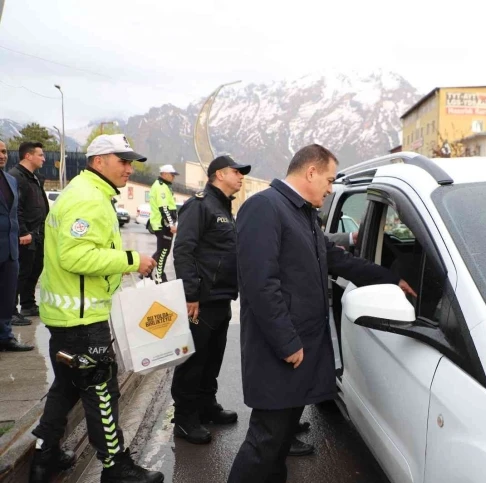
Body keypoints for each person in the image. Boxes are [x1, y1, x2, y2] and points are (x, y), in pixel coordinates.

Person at [228, 144, 416, 483]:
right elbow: (260, 284)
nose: (331, 189)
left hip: (299, 350)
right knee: (265, 443)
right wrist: (287, 343)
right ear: (310, 172)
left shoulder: (300, 213)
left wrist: (391, 279)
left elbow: (336, 259)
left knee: (280, 441)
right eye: (329, 180)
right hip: (281, 351)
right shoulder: (264, 208)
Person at [29, 134, 163, 483]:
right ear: (99, 160)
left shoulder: (86, 193)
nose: (129, 169)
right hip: (82, 318)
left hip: (68, 314)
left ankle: (45, 458)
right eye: (123, 161)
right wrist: (132, 259)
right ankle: (115, 467)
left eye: (131, 162)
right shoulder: (88, 199)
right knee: (102, 388)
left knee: (67, 386)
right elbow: (75, 256)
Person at [170, 155, 250, 444]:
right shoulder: (200, 205)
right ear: (218, 174)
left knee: (212, 357)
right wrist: (191, 294)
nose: (241, 176)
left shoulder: (224, 207)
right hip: (201, 301)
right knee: (193, 360)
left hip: (221, 298)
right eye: (236, 171)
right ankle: (184, 418)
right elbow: (184, 250)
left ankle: (206, 406)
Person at [9, 141, 49, 326]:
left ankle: (28, 304)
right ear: (28, 156)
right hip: (25, 235)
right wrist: (23, 232)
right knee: (21, 273)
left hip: (38, 233)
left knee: (35, 269)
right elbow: (15, 208)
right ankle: (11, 310)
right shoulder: (16, 176)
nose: (44, 158)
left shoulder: (33, 177)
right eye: (40, 155)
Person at [0, 140, 34, 352]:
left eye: (4, 151)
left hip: (10, 250)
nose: (2, 155)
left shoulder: (10, 180)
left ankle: (5, 337)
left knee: (6, 298)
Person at [149, 164, 179, 282]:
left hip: (161, 223)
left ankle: (149, 270)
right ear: (165, 174)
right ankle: (159, 275)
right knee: (163, 251)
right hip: (163, 224)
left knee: (161, 250)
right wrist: (171, 224)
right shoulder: (161, 187)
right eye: (172, 175)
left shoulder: (163, 186)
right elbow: (164, 208)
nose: (173, 177)